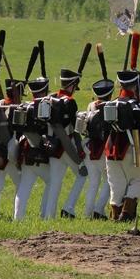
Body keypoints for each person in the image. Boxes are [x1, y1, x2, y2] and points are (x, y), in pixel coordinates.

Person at [104, 71, 140, 221]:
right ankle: (127, 213)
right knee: (138, 180)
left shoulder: (112, 102)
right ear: (135, 86)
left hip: (111, 151)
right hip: (132, 150)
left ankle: (115, 214)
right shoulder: (136, 105)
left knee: (116, 184)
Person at [43, 68, 87, 219]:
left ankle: (49, 217)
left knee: (55, 182)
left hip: (52, 146)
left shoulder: (50, 97)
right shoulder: (70, 102)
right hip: (67, 146)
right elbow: (74, 130)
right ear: (72, 84)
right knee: (83, 175)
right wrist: (79, 150)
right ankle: (68, 208)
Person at [13, 76, 51, 220]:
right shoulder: (43, 107)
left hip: (25, 153)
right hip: (40, 153)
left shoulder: (24, 106)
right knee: (52, 182)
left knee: (24, 187)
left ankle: (18, 218)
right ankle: (44, 215)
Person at [81, 77, 115, 219]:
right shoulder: (111, 106)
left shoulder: (91, 105)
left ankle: (88, 213)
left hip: (89, 147)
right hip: (103, 149)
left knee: (93, 183)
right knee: (109, 182)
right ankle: (99, 210)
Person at [0, 79, 25, 215]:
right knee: (20, 184)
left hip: (2, 151)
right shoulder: (16, 107)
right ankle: (18, 215)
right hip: (7, 151)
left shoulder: (1, 104)